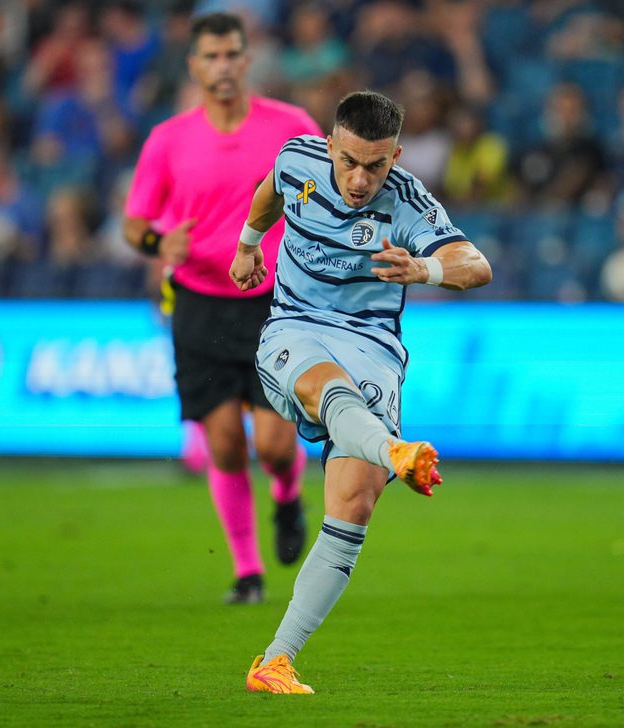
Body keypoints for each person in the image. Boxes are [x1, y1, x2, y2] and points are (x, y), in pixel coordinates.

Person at [230, 90, 492, 694]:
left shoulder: (408, 203)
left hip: (372, 344)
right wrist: (248, 244)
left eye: (375, 165)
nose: (358, 178)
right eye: (348, 160)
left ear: (395, 156)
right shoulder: (297, 161)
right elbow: (270, 190)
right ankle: (395, 449)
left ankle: (275, 661)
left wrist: (423, 269)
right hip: (295, 328)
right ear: (330, 144)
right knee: (329, 388)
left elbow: (475, 265)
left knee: (353, 504)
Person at [123, 13, 321, 604]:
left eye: (233, 54)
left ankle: (287, 498)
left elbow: (328, 187)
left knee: (277, 446)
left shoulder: (290, 125)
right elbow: (134, 225)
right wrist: (162, 244)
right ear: (194, 65)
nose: (224, 66)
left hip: (275, 303)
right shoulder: (168, 139)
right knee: (227, 446)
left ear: (247, 58)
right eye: (211, 57)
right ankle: (247, 571)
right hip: (200, 304)